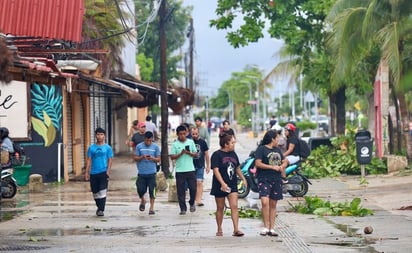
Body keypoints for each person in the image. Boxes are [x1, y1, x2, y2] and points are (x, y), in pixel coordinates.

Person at [210, 132, 247, 237]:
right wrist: (222, 183)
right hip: (219, 185)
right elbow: (216, 171)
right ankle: (219, 228)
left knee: (234, 206)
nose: (234, 145)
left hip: (232, 184)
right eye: (232, 143)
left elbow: (237, 168)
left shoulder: (233, 154)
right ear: (226, 144)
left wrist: (243, 178)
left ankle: (236, 229)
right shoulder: (217, 155)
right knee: (220, 207)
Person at [254, 130, 288, 236]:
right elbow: (258, 163)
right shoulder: (261, 149)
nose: (278, 140)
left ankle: (271, 228)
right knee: (265, 202)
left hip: (276, 179)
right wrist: (272, 167)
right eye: (277, 138)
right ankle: (265, 226)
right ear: (272, 139)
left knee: (273, 204)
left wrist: (283, 165)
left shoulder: (278, 150)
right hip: (264, 178)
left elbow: (284, 161)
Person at [85, 127, 113, 217]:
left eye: (101, 134)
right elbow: (89, 160)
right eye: (98, 134)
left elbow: (110, 160)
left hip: (103, 172)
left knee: (103, 191)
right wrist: (87, 172)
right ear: (95, 136)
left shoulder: (108, 148)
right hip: (93, 173)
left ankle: (101, 209)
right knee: (95, 192)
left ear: (104, 136)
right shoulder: (91, 148)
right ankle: (99, 206)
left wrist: (108, 171)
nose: (100, 136)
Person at [170, 125, 197, 215]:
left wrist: (189, 153)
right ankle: (183, 208)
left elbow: (196, 154)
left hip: (190, 169)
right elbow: (172, 157)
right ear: (177, 134)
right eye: (180, 134)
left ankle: (192, 202)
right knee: (181, 191)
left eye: (184, 134)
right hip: (180, 171)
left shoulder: (190, 142)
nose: (182, 136)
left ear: (186, 134)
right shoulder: (175, 144)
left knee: (193, 188)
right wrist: (180, 153)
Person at [134, 131, 161, 215]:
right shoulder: (139, 146)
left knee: (152, 190)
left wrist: (152, 158)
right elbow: (135, 157)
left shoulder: (155, 147)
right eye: (146, 140)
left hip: (152, 172)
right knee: (140, 189)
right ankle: (143, 200)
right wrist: (142, 157)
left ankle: (152, 208)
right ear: (144, 139)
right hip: (142, 172)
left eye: (150, 140)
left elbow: (158, 159)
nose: (148, 142)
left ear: (152, 139)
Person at [191, 127, 211, 207]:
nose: (195, 135)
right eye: (193, 134)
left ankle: (198, 200)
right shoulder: (189, 142)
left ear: (198, 133)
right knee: (192, 184)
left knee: (199, 182)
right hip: (190, 166)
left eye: (196, 134)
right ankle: (193, 199)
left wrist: (208, 166)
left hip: (200, 166)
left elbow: (206, 154)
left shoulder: (203, 142)